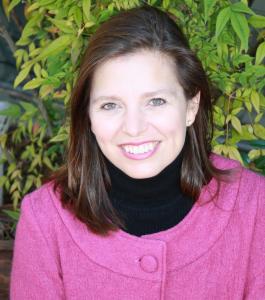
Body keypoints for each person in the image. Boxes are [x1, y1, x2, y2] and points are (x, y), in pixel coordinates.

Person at [10, 5, 265, 300]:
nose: (133, 128)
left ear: (191, 107)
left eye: (155, 101)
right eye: (110, 105)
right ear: (89, 117)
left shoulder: (255, 205)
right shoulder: (45, 220)